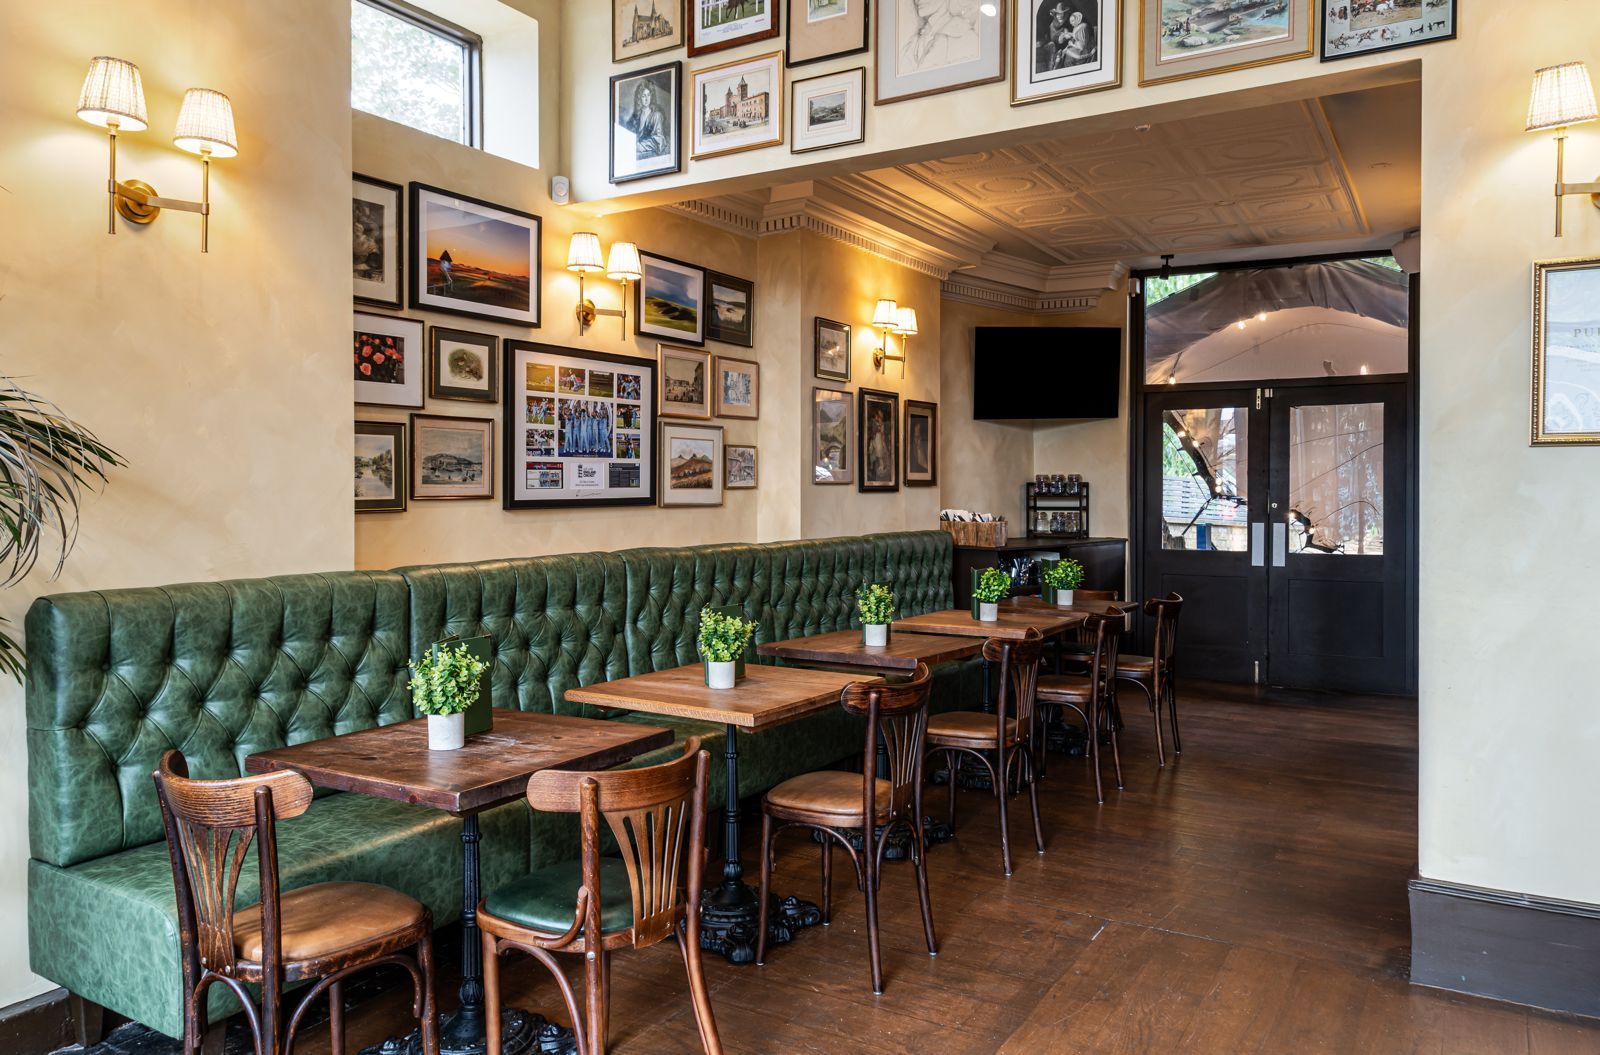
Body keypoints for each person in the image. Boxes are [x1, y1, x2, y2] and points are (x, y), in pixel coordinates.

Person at [630, 81, 668, 160]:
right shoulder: (636, 118)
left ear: (651, 96)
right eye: (644, 96)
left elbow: (660, 140)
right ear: (639, 98)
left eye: (648, 95)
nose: (646, 99)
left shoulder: (656, 115)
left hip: (652, 156)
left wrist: (640, 146)